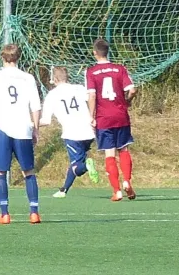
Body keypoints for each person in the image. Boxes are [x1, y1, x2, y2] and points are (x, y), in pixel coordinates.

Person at [0, 43, 41, 225]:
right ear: (18, 57)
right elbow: (36, 107)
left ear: (2, 57)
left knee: (1, 171)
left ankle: (5, 213)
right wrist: (35, 129)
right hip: (23, 128)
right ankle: (34, 212)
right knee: (28, 171)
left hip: (2, 128)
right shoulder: (28, 78)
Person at [86, 38, 137, 201]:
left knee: (109, 153)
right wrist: (127, 101)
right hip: (121, 115)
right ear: (108, 52)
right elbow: (133, 90)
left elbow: (92, 95)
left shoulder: (91, 72)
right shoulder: (119, 69)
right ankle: (127, 182)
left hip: (104, 117)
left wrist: (91, 116)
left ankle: (117, 190)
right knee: (124, 149)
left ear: (95, 53)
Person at [40, 66, 99, 198]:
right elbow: (92, 98)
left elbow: (46, 120)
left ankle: (87, 166)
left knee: (77, 165)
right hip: (89, 132)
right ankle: (64, 190)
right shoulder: (79, 88)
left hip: (72, 134)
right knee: (75, 162)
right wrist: (92, 116)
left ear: (54, 79)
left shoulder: (52, 95)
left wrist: (32, 124)